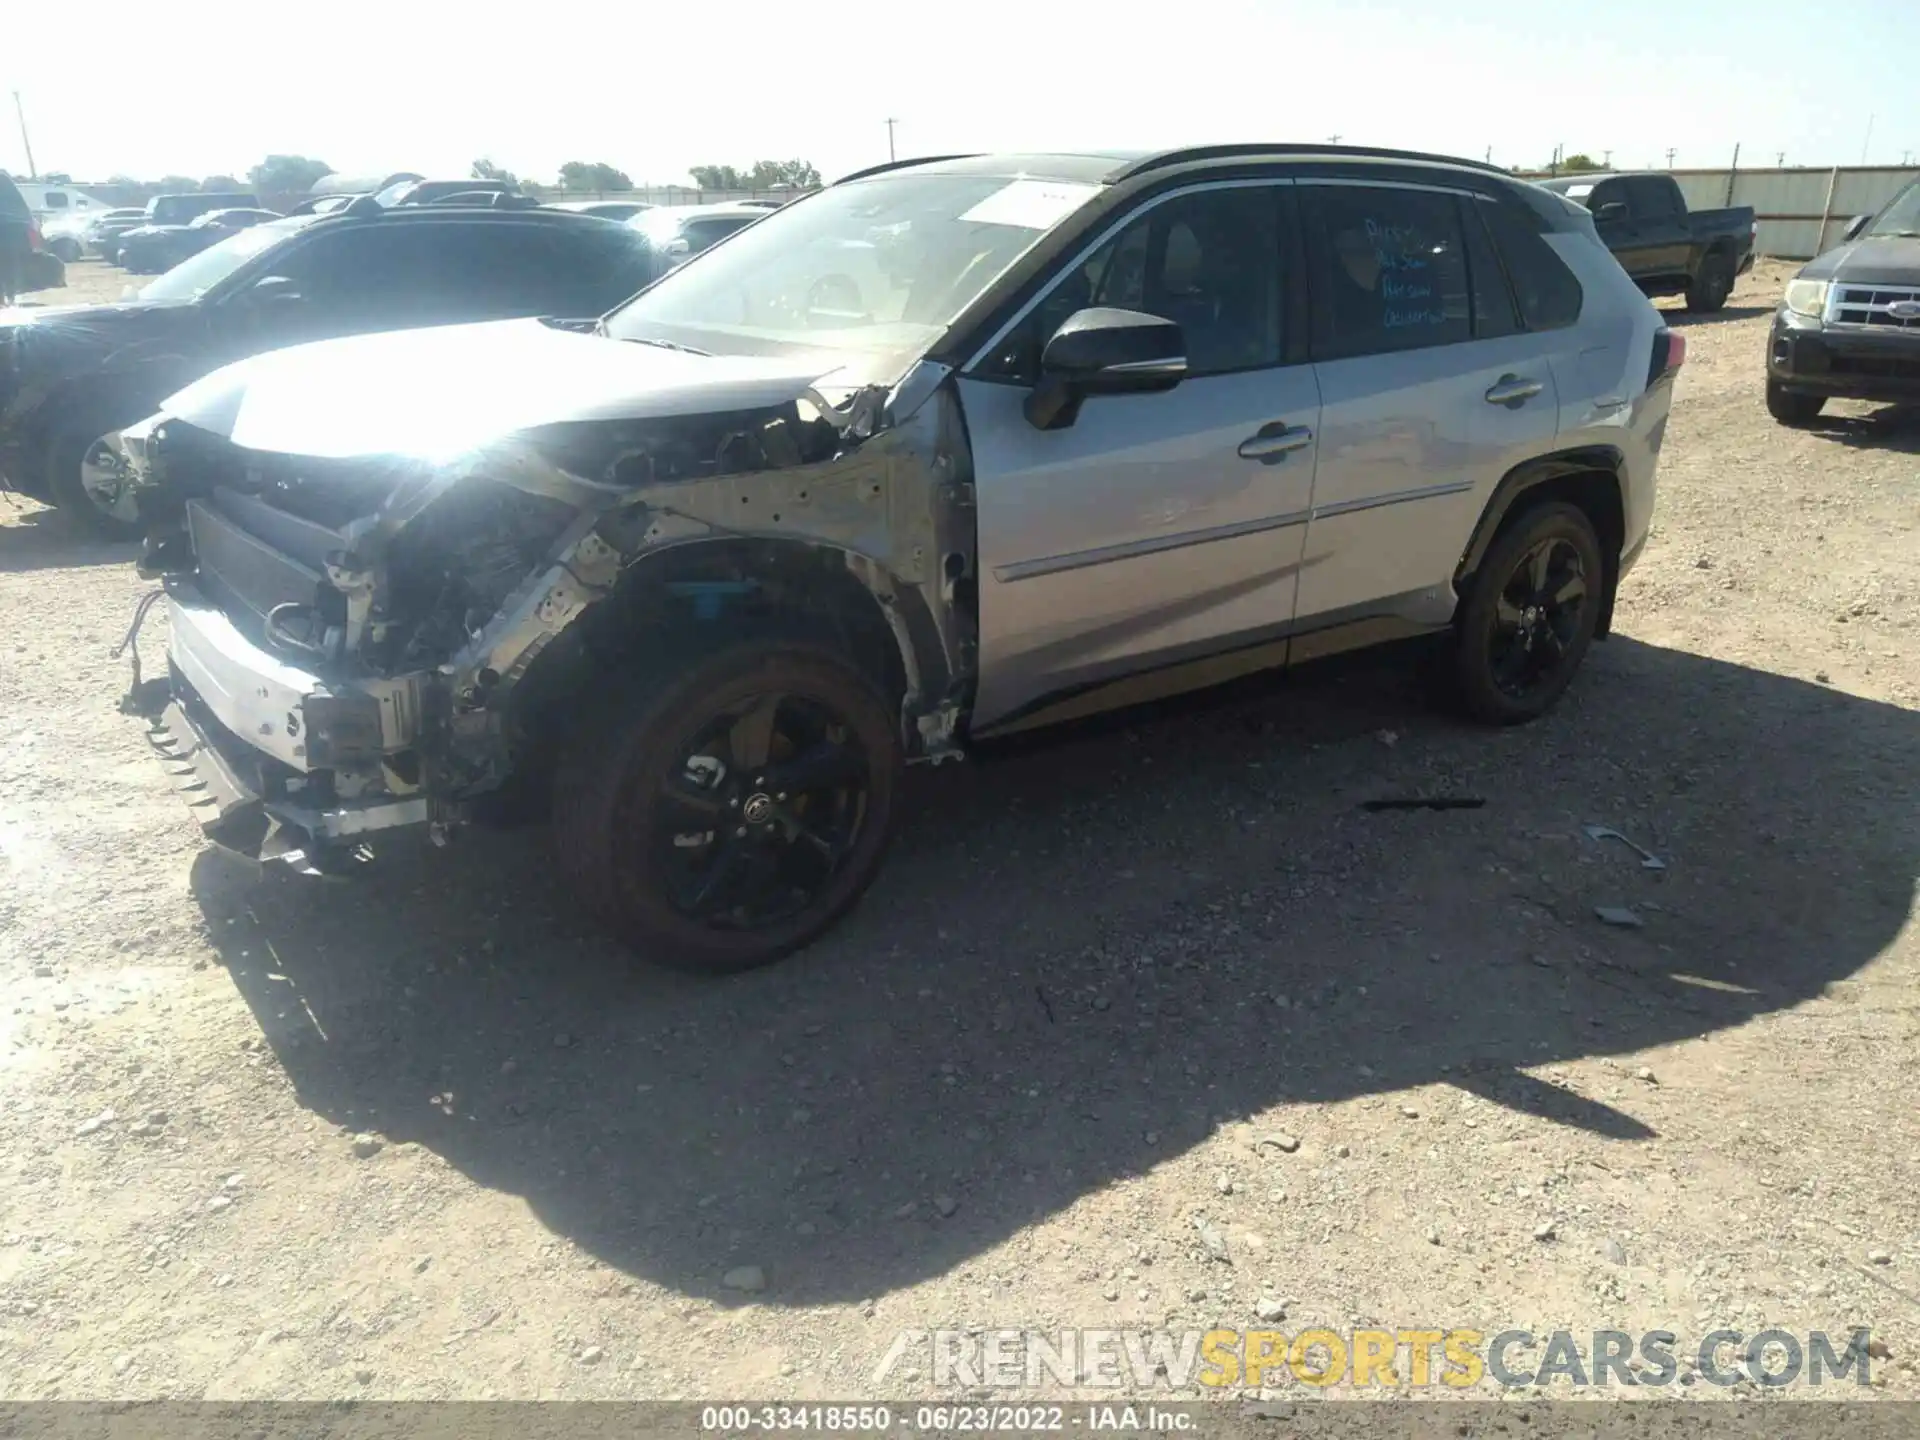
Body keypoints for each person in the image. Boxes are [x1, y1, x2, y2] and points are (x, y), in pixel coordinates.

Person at [0, 170, 33, 305]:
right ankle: (10, 296)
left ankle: (7, 297)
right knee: (11, 265)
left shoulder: (3, 180)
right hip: (14, 230)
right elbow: (24, 212)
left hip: (9, 230)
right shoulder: (5, 180)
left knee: (8, 264)